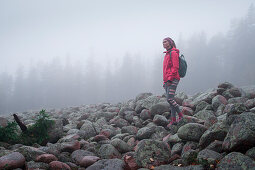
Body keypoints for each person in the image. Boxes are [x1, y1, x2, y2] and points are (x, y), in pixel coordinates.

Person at [162, 37, 184, 127]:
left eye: (165, 42)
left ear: (170, 43)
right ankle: (173, 120)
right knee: (171, 101)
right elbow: (166, 69)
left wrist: (170, 79)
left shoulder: (173, 53)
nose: (163, 43)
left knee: (169, 99)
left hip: (173, 79)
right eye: (162, 42)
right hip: (167, 80)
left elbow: (175, 67)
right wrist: (165, 81)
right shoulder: (167, 54)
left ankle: (181, 115)